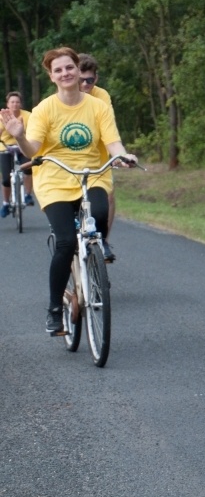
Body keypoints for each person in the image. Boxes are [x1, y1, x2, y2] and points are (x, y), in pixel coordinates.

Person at [0, 47, 137, 336]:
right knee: (64, 242)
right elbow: (33, 150)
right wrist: (20, 135)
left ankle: (92, 266)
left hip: (91, 174)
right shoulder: (44, 109)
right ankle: (53, 309)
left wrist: (124, 156)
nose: (65, 73)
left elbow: (112, 142)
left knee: (99, 215)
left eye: (69, 67)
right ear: (52, 76)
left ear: (78, 69)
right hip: (54, 179)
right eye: (58, 70)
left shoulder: (98, 106)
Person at [79, 53, 117, 261]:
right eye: (81, 80)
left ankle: (103, 240)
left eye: (90, 80)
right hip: (70, 157)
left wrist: (118, 154)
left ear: (96, 79)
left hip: (98, 154)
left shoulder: (101, 96)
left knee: (109, 195)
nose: (85, 84)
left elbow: (108, 127)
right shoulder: (63, 96)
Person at [0, 91, 35, 215]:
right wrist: (5, 126)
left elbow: (34, 132)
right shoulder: (2, 116)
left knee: (28, 169)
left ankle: (28, 194)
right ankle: (5, 203)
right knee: (5, 179)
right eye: (12, 102)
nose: (15, 104)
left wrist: (21, 129)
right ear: (7, 104)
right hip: (5, 148)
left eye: (17, 102)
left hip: (22, 147)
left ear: (21, 104)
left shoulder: (28, 116)